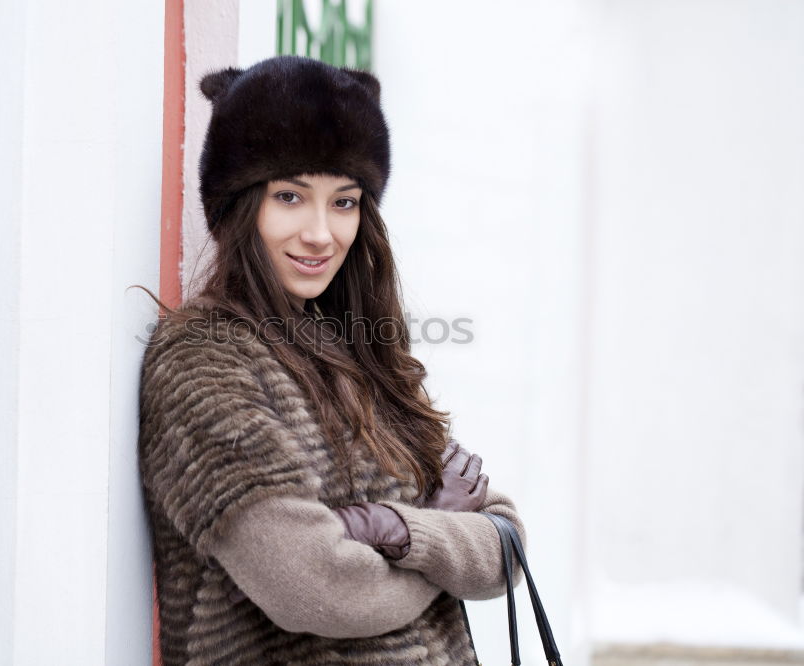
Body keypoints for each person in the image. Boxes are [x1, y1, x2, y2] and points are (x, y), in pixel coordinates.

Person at [138, 55, 525, 666]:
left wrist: (391, 530)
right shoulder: (202, 361)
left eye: (343, 202)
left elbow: (504, 546)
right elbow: (316, 589)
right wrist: (431, 525)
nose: (321, 233)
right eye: (291, 196)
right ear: (240, 207)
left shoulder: (360, 350)